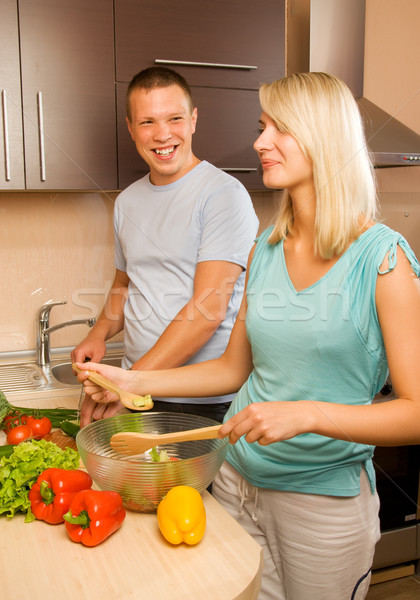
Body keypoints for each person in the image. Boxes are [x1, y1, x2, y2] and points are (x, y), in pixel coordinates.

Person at [75, 72, 420, 600]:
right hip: (236, 479)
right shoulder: (267, 248)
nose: (259, 142)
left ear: (322, 137)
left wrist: (306, 413)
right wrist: (128, 378)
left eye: (278, 129)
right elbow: (233, 370)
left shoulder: (384, 259)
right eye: (263, 127)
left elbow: (416, 410)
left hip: (319, 502)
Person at [72, 66, 258, 427]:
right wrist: (97, 334)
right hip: (139, 390)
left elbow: (208, 309)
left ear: (193, 120)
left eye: (174, 118)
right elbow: (125, 287)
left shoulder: (223, 195)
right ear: (130, 127)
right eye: (147, 122)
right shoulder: (127, 202)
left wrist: (128, 385)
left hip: (203, 401)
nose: (162, 135)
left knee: (193, 487)